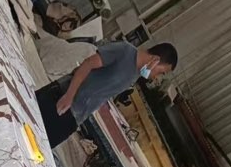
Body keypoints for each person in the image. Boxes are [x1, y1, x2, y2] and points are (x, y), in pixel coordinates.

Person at [34, 41, 178, 149]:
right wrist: (69, 95)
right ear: (155, 60)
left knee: (39, 148)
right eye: (161, 72)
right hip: (61, 98)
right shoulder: (125, 51)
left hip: (74, 117)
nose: (157, 77)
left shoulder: (135, 75)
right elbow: (88, 64)